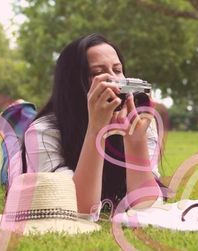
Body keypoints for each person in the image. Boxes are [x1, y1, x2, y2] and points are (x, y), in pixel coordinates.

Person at [23, 34, 161, 220]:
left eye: (117, 70)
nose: (114, 81)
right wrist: (96, 130)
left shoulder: (138, 121)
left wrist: (135, 140)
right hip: (27, 158)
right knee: (15, 146)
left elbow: (146, 206)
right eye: (97, 73)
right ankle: (19, 111)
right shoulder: (42, 132)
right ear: (73, 83)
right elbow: (79, 210)